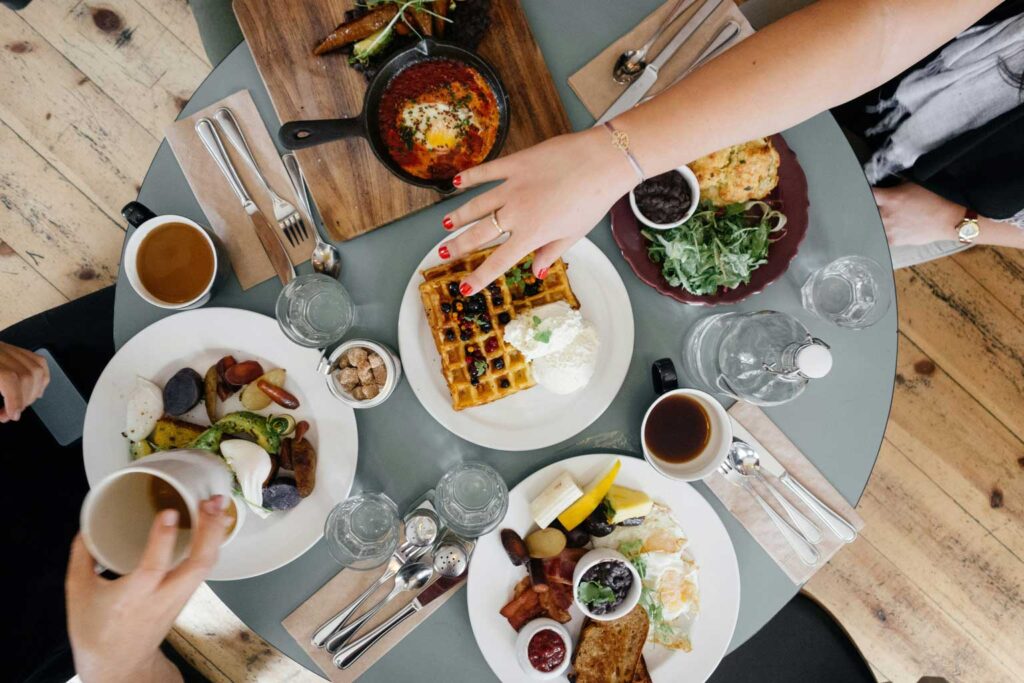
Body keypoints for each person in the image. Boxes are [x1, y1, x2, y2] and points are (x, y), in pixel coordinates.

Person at [441, 0, 1022, 289]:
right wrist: (613, 155)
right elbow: (883, 25)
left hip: (944, 201)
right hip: (814, 46)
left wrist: (959, 225)